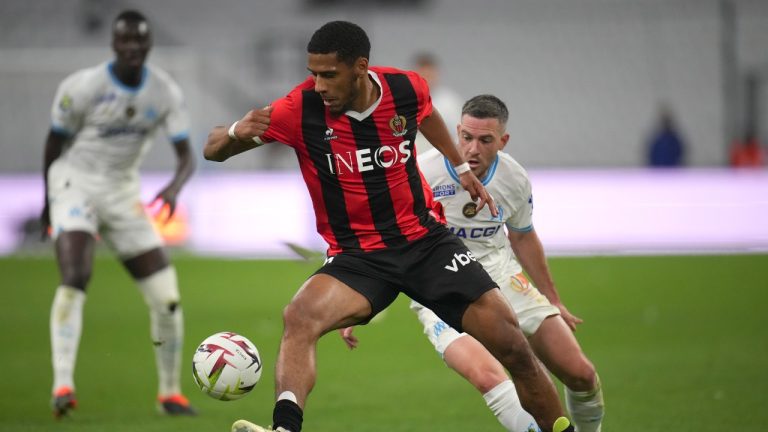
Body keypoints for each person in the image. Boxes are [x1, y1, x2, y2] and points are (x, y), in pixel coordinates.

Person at [205, 21, 575, 432]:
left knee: (513, 347)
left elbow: (427, 112)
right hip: (358, 258)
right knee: (300, 316)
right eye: (313, 74)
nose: (319, 85)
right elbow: (213, 149)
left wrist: (457, 166)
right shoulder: (299, 108)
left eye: (329, 75)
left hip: (426, 244)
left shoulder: (404, 89)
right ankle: (284, 428)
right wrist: (237, 131)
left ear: (360, 67)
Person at [42, 10, 196, 418]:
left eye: (138, 41)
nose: (131, 48)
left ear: (148, 45)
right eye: (124, 40)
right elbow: (54, 143)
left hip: (123, 193)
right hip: (76, 183)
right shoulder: (83, 86)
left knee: (167, 300)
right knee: (76, 276)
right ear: (113, 44)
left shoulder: (164, 91)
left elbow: (186, 155)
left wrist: (174, 187)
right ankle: (63, 384)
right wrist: (48, 202)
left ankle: (170, 394)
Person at [412, 52, 464, 154]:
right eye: (422, 75)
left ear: (436, 75)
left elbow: (459, 134)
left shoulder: (449, 102)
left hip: (440, 155)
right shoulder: (404, 99)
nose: (426, 79)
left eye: (429, 75)